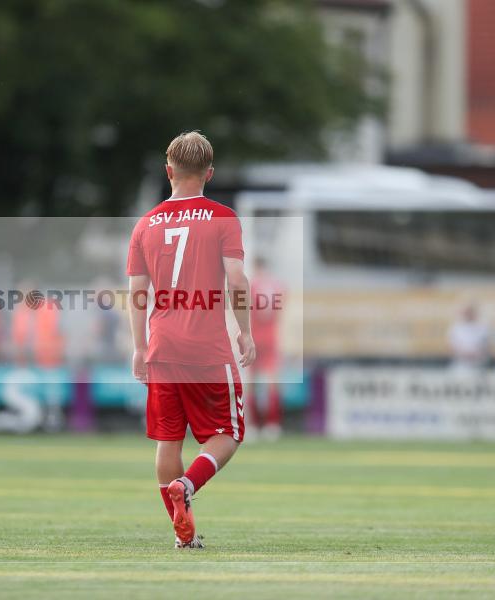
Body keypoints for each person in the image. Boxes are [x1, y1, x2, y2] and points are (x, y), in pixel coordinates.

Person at [127, 131, 255, 549]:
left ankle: (183, 535)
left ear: (168, 171)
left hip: (162, 344)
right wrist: (245, 331)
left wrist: (139, 347)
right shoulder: (222, 217)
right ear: (209, 174)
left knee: (168, 439)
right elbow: (236, 279)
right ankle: (188, 484)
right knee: (228, 434)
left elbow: (137, 293)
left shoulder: (145, 224)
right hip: (206, 346)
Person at [245, 256, 283, 441]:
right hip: (270, 338)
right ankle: (272, 424)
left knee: (250, 382)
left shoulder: (249, 286)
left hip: (253, 338)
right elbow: (280, 314)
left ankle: (252, 425)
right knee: (272, 382)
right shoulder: (277, 287)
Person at [447, 303, 490, 370]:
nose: (469, 314)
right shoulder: (456, 328)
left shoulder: (483, 328)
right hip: (460, 364)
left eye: (471, 312)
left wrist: (476, 354)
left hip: (478, 364)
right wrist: (465, 354)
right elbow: (452, 347)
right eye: (467, 312)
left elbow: (486, 346)